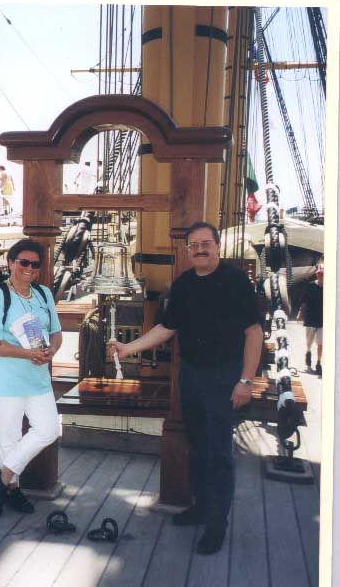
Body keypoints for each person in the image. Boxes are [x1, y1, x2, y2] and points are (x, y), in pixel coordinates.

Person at [108, 221, 263, 555]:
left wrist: (246, 380)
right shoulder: (183, 285)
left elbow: (254, 332)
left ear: (218, 246)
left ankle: (217, 523)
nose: (200, 249)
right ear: (188, 251)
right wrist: (127, 349)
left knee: (219, 451)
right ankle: (202, 507)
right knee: (196, 445)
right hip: (191, 376)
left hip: (225, 377)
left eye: (206, 243)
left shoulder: (236, 282)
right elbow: (167, 327)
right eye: (194, 245)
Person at [0, 238, 62, 516]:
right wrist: (27, 354)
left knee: (48, 429)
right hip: (6, 379)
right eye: (23, 262)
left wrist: (52, 349)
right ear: (10, 263)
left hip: (37, 378)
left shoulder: (44, 294)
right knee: (9, 437)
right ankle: (12, 491)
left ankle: (2, 476)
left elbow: (56, 333)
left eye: (34, 264)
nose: (29, 268)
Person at [297, 262, 323, 376]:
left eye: (322, 274)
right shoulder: (310, 286)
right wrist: (300, 313)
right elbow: (304, 301)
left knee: (320, 342)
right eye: (319, 274)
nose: (320, 276)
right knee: (309, 341)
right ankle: (308, 353)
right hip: (311, 317)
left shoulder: (330, 287)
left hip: (322, 319)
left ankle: (318, 363)